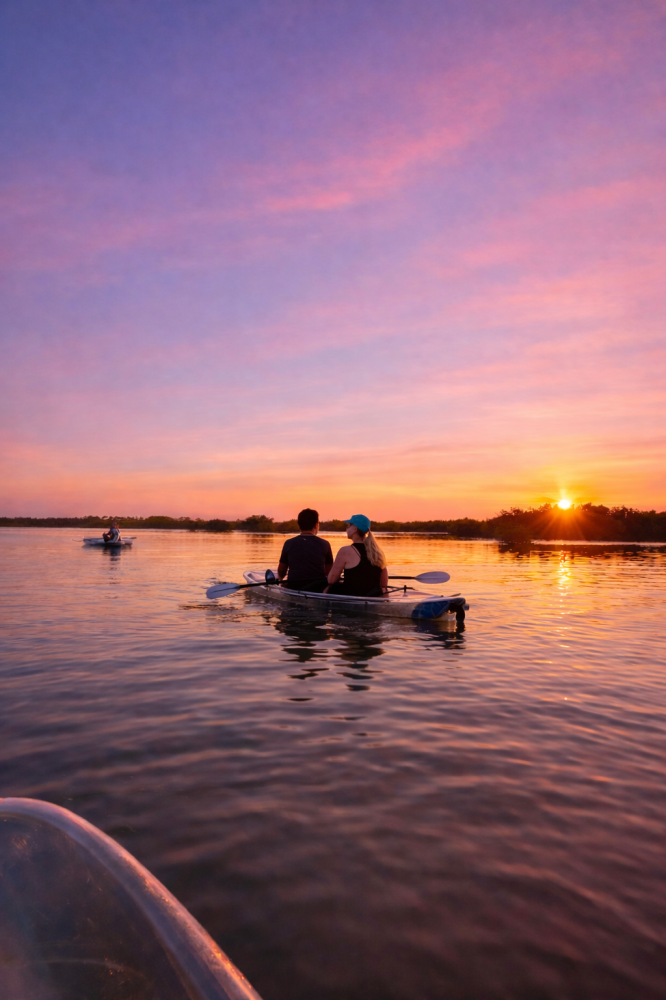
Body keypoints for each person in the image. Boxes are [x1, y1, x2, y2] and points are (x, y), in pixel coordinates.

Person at [325, 515, 388, 596]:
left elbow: (331, 579)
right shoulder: (377, 551)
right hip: (374, 597)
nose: (346, 529)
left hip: (354, 599)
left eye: (348, 526)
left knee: (328, 588)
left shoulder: (345, 551)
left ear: (355, 528)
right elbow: (384, 583)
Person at [277, 509, 333, 591]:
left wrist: (280, 580)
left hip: (293, 587)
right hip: (317, 588)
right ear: (316, 525)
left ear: (299, 525)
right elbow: (329, 573)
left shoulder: (288, 543)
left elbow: (281, 571)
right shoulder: (325, 544)